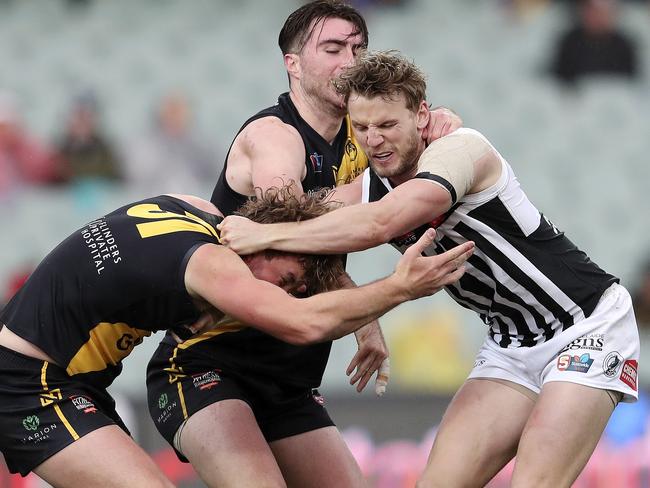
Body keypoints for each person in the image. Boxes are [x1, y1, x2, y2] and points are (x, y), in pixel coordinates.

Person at [218, 50, 641, 488]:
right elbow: (299, 217)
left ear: (422, 116)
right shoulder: (372, 181)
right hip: (511, 345)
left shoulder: (462, 151)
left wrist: (265, 236)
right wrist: (226, 220)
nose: (374, 140)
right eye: (361, 128)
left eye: (387, 125)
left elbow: (382, 222)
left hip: (587, 325)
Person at [148, 2, 461, 486]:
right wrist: (368, 314)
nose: (350, 62)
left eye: (358, 49)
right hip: (207, 363)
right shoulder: (275, 138)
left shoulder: (362, 136)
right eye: (332, 49)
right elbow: (296, 243)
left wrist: (438, 122)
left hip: (289, 377)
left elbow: (429, 134)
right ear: (292, 64)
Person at [0, 185, 474, 487]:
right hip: (27, 386)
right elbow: (301, 322)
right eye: (286, 280)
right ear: (258, 242)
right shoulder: (211, 264)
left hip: (69, 379)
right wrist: (399, 287)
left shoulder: (198, 213)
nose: (280, 292)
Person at [549, 0, 638, 85]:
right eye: (592, 11)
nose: (596, 16)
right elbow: (559, 78)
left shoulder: (622, 45)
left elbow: (629, 80)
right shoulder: (570, 42)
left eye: (601, 13)